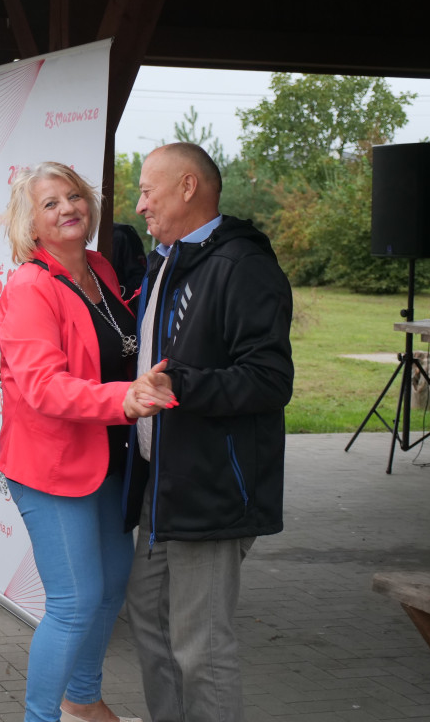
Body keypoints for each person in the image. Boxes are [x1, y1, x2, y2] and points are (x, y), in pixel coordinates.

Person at [0, 162, 174, 722]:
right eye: (50, 204)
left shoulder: (99, 267)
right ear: (31, 223)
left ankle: (83, 700)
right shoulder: (29, 285)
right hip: (52, 466)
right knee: (73, 603)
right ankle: (41, 716)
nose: (67, 208)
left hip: (110, 460)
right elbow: (46, 387)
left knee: (108, 591)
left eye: (74, 196)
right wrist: (121, 400)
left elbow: (105, 347)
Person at [124, 142, 293, 721]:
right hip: (162, 485)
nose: (140, 204)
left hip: (212, 488)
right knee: (149, 621)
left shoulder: (242, 266)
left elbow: (270, 380)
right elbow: (147, 351)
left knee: (201, 646)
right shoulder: (170, 259)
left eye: (149, 190)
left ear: (189, 188)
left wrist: (186, 387)